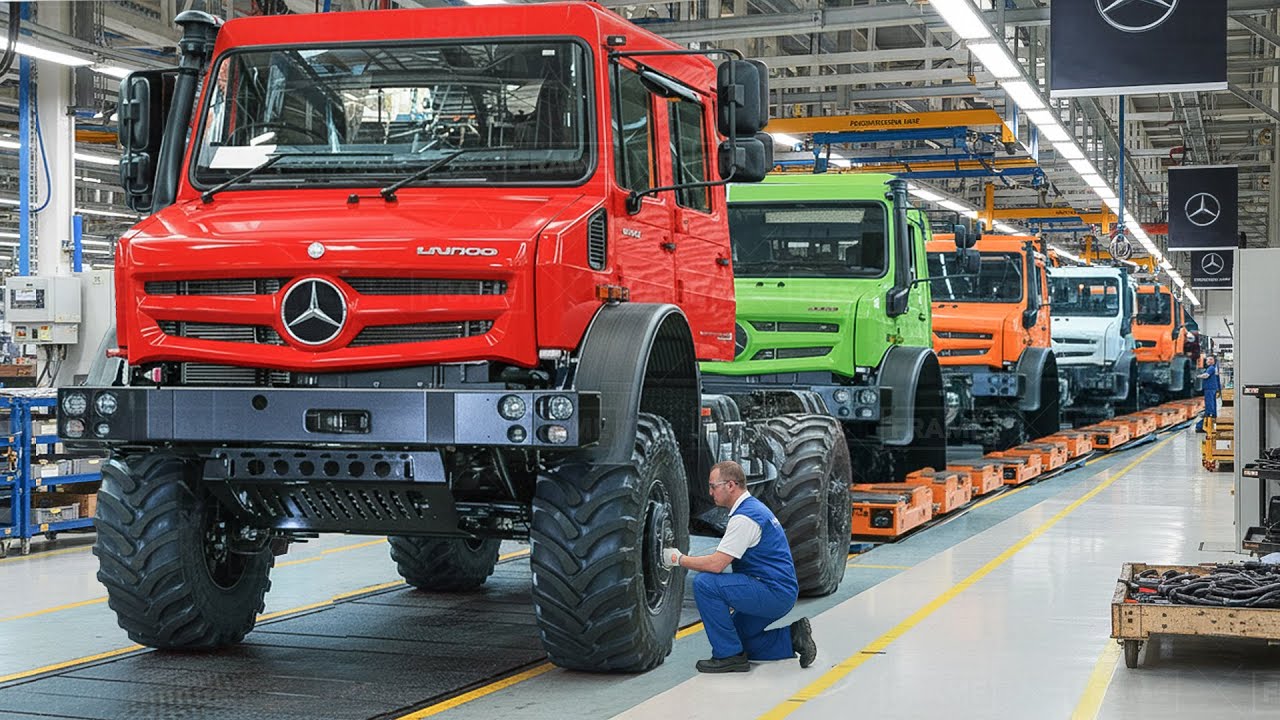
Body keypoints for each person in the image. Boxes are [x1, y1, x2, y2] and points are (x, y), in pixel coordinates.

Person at [661, 460, 816, 673]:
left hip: (772, 592)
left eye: (713, 486)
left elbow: (717, 565)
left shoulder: (745, 518)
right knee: (739, 639)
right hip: (777, 590)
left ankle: (728, 656)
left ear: (731, 485)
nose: (709, 492)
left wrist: (677, 559)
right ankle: (792, 637)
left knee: (706, 584)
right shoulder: (754, 509)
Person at [1197, 356, 1221, 433]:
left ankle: (1206, 425)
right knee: (1212, 406)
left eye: (1210, 359)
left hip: (1209, 389)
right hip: (1212, 389)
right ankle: (1209, 424)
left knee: (1209, 407)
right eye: (1207, 359)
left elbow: (1206, 375)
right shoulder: (1214, 368)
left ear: (1213, 361)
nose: (1208, 361)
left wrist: (1198, 376)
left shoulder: (1211, 368)